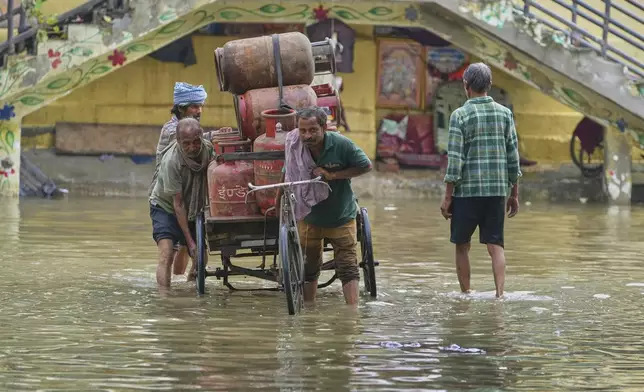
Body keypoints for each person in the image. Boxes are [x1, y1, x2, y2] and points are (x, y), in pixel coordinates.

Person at [440, 63, 521, 299]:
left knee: (462, 244)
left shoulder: (460, 116)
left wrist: (447, 197)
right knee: (495, 246)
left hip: (466, 193)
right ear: (489, 85)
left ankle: (466, 293)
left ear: (466, 86)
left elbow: (455, 160)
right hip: (496, 192)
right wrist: (514, 194)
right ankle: (500, 294)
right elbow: (513, 157)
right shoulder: (505, 114)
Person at [276, 106, 372, 305]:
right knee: (309, 268)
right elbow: (288, 174)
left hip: (341, 216)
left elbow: (365, 165)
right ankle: (310, 311)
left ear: (323, 127)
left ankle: (351, 316)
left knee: (347, 266)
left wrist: (334, 175)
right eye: (303, 131)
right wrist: (277, 202)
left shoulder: (341, 144)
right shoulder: (294, 146)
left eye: (313, 130)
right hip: (309, 217)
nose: (307, 135)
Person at [151, 82, 229, 278]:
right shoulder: (172, 130)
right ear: (182, 107)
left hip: (191, 192)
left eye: (200, 105)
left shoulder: (199, 140)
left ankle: (181, 285)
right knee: (170, 250)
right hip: (169, 193)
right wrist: (215, 135)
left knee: (188, 247)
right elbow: (193, 140)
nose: (198, 110)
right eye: (194, 106)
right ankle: (169, 294)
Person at [149, 118, 214, 287]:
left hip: (192, 206)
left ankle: (190, 291)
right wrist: (190, 242)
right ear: (178, 142)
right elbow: (178, 204)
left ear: (201, 137)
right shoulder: (172, 161)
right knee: (167, 254)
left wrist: (195, 246)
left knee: (201, 256)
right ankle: (165, 300)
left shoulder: (208, 150)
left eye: (196, 142)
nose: (192, 148)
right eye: (186, 144)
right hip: (166, 207)